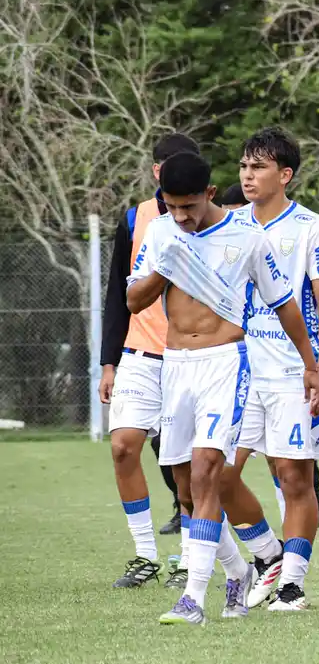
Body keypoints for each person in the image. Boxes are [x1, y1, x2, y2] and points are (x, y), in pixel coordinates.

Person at [126, 151, 319, 625]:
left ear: (210, 195)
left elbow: (285, 305)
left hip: (225, 362)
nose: (181, 216)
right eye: (171, 207)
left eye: (188, 206)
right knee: (184, 486)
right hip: (175, 366)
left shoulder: (247, 238)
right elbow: (134, 300)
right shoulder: (161, 234)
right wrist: (165, 265)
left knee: (206, 469)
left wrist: (311, 365)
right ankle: (238, 572)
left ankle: (193, 597)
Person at [230, 127, 319, 611]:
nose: (248, 175)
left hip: (294, 373)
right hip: (236, 370)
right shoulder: (231, 224)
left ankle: (293, 583)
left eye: (258, 167)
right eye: (243, 166)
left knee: (295, 478)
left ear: (285, 174)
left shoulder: (312, 229)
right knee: (213, 474)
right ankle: (267, 553)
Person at [100, 132, 198, 588]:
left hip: (190, 357)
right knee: (123, 447)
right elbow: (119, 296)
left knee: (188, 467)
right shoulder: (135, 218)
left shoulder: (211, 221)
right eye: (162, 164)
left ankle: (187, 557)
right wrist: (108, 362)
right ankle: (144, 555)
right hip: (138, 354)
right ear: (155, 169)